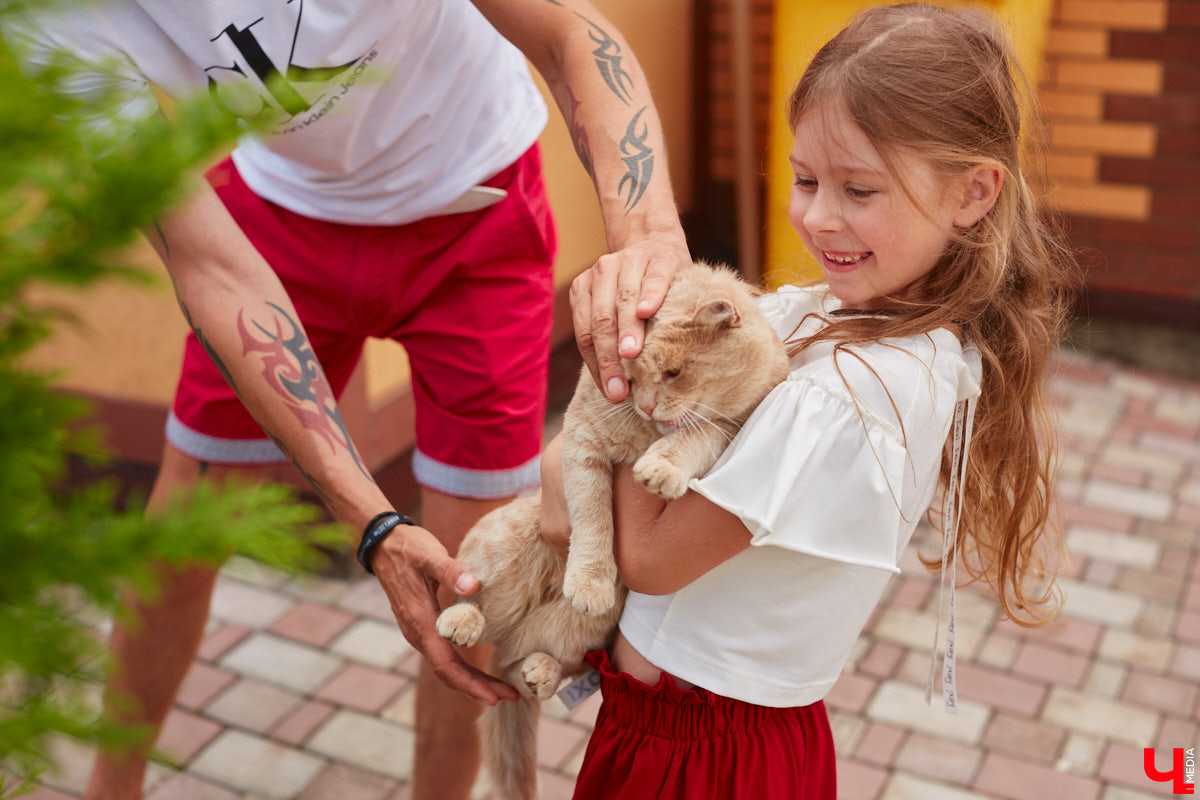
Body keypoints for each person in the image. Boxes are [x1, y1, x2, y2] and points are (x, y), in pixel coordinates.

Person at [7, 1, 688, 798]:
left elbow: (570, 33)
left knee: (469, 585)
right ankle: (110, 787)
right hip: (274, 225)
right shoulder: (44, 16)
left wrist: (646, 239)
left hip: (478, 205)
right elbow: (209, 265)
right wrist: (370, 522)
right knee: (179, 538)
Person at [546, 3, 1076, 796]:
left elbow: (648, 559)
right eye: (804, 179)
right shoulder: (836, 315)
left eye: (859, 189)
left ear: (973, 191)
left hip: (705, 755)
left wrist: (591, 438)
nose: (819, 217)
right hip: (685, 725)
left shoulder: (859, 393)